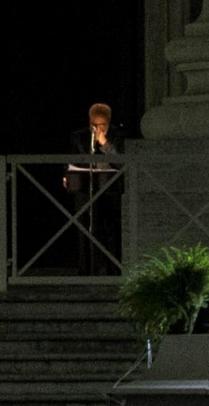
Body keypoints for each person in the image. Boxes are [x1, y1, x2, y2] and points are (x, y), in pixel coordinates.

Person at [65, 102, 125, 276]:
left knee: (111, 229)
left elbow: (120, 161)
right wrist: (66, 173)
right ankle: (86, 269)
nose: (97, 129)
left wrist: (104, 143)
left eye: (102, 125)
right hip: (85, 186)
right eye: (94, 125)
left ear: (109, 122)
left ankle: (114, 270)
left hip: (110, 188)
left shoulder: (118, 135)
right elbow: (71, 159)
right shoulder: (78, 136)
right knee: (85, 228)